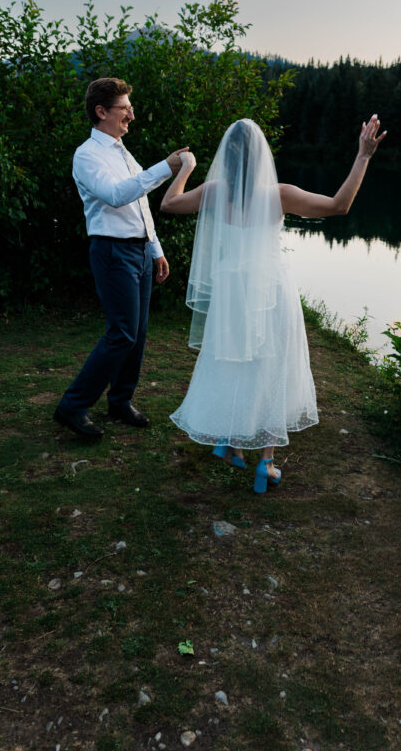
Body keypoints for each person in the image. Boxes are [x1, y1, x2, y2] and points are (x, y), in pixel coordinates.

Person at [160, 114, 386, 493]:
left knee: (233, 361)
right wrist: (363, 156)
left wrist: (187, 167)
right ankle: (265, 461)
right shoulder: (279, 194)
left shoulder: (214, 191)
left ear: (226, 158)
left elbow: (169, 203)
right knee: (272, 366)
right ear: (262, 155)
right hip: (269, 290)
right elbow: (338, 206)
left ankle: (230, 442)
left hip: (232, 290)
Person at [54, 77, 189, 440]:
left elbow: (140, 202)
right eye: (124, 108)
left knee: (138, 333)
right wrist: (166, 167)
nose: (131, 113)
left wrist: (155, 248)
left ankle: (120, 401)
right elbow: (115, 196)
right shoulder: (87, 154)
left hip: (139, 249)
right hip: (112, 250)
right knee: (122, 333)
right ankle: (72, 406)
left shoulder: (121, 151)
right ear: (101, 112)